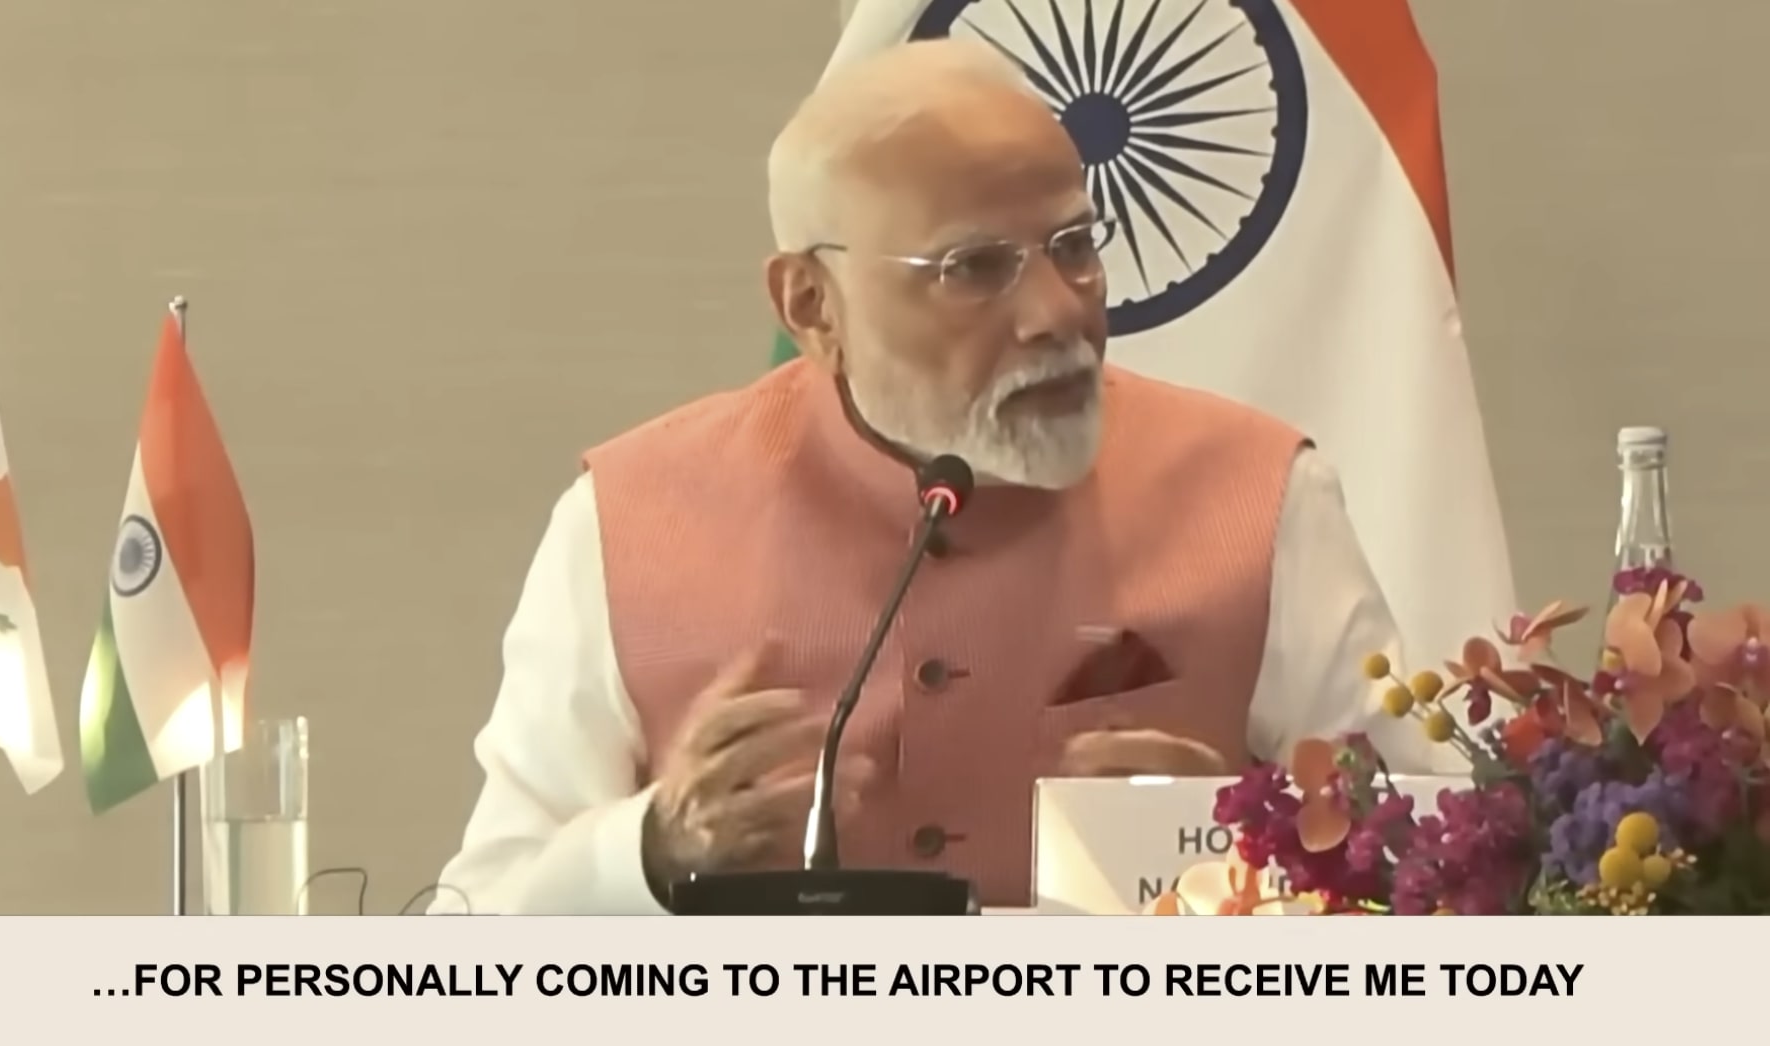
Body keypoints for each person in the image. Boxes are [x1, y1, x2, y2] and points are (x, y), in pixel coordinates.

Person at [431, 38, 1442, 915]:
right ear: (811, 303)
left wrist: (1248, 843)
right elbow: (477, 920)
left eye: (1074, 246)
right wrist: (650, 849)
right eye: (974, 268)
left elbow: (1440, 882)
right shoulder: (627, 519)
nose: (1058, 311)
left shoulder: (1259, 495)